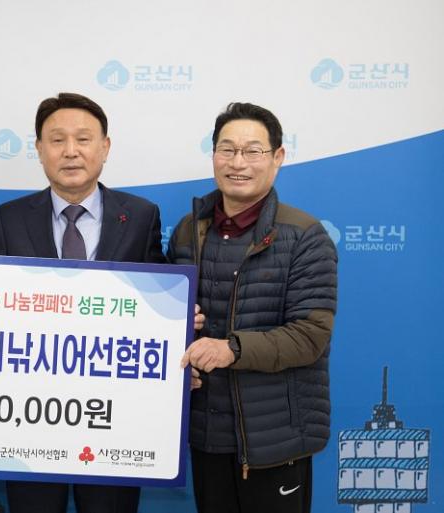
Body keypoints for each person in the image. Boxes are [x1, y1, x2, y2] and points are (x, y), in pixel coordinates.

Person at [0, 92, 164, 513]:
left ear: (105, 147)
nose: (70, 151)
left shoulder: (142, 216)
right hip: (30, 415)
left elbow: (157, 300)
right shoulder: (8, 219)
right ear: (39, 149)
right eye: (57, 140)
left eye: (83, 139)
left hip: (114, 414)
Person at [169, 102, 337, 513]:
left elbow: (310, 335)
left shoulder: (304, 236)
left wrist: (232, 349)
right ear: (213, 155)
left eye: (253, 151)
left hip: (275, 439)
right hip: (206, 433)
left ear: (277, 157)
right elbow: (169, 316)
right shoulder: (189, 230)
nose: (238, 162)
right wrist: (179, 341)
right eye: (227, 149)